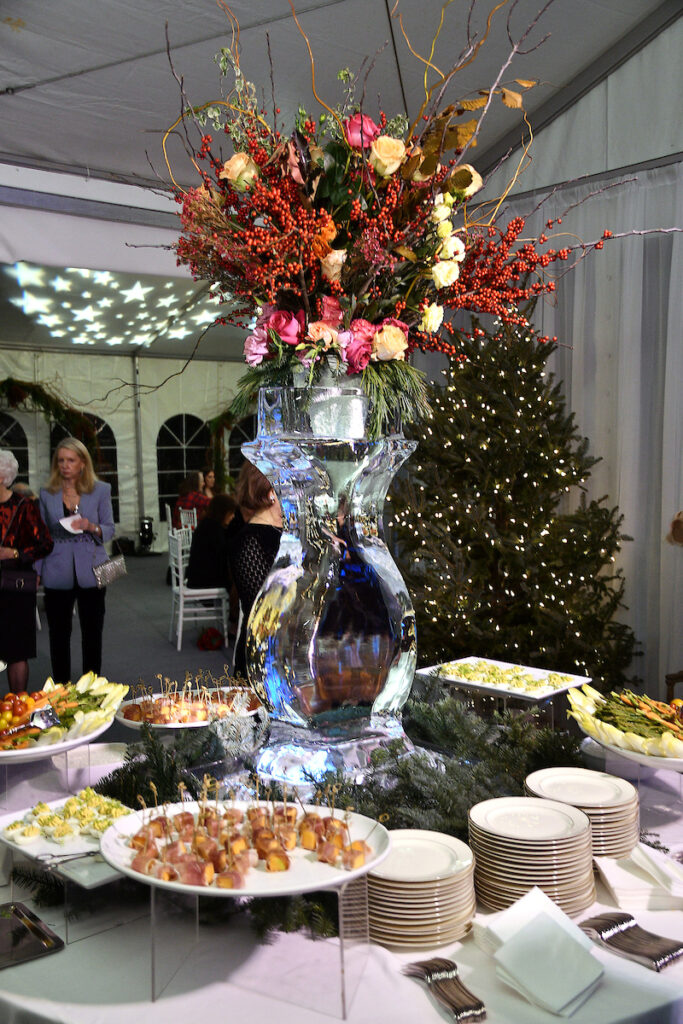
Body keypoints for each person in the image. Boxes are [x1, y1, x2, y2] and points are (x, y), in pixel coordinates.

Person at [35, 438, 115, 685]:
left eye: (70, 460)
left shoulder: (101, 490)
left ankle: (92, 687)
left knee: (93, 633)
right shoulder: (46, 494)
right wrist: (37, 570)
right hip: (56, 569)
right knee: (58, 634)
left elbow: (110, 530)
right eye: (61, 460)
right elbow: (40, 536)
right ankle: (61, 688)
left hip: (93, 568)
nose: (65, 465)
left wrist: (91, 526)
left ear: (82, 463)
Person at [0, 451, 53, 693]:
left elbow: (45, 544)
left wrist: (13, 553)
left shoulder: (23, 506)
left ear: (3, 476)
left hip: (14, 587)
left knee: (17, 652)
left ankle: (18, 709)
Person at [230, 462, 282, 679]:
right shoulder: (251, 540)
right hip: (264, 660)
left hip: (286, 654)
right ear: (272, 493)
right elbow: (263, 609)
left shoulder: (283, 533)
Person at [186, 493, 237, 589]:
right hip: (204, 581)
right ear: (223, 512)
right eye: (231, 512)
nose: (233, 516)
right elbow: (223, 553)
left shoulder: (207, 524)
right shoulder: (213, 528)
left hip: (196, 578)